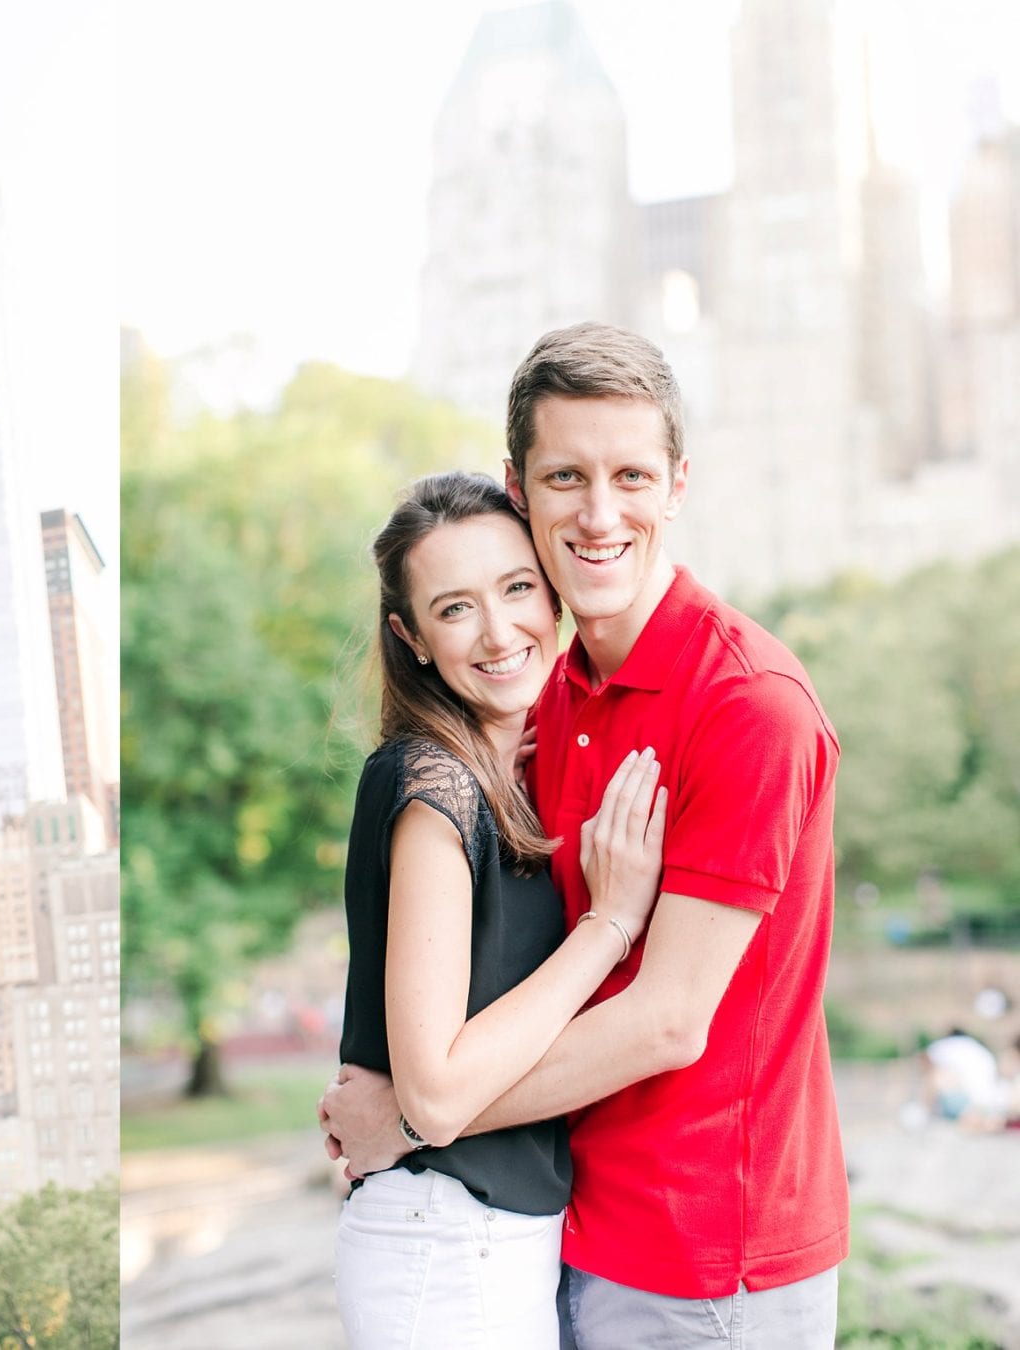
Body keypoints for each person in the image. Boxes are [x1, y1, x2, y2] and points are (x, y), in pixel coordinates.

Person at [321, 322, 849, 1348]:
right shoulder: (547, 702)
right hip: (566, 1232)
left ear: (678, 484)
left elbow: (666, 1022)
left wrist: (421, 1118)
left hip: (711, 1262)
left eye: (631, 475)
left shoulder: (750, 706)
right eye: (566, 477)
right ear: (519, 488)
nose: (600, 514)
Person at [332, 470, 669, 1348]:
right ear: (410, 638)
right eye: (454, 609)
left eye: (516, 588)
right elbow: (436, 1093)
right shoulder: (431, 782)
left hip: (480, 1239)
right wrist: (611, 924)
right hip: (447, 1246)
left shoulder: (500, 775)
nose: (498, 631)